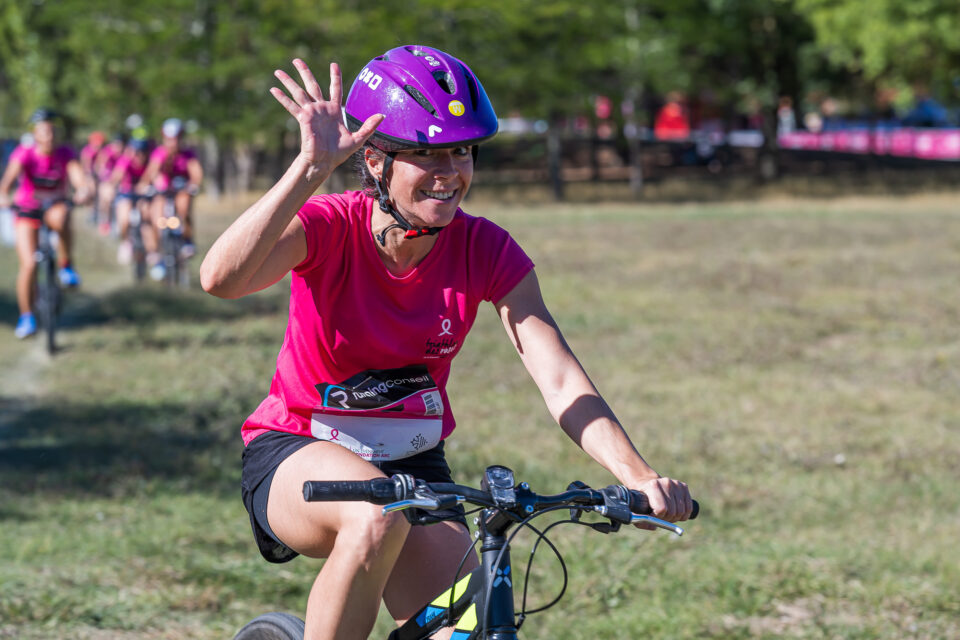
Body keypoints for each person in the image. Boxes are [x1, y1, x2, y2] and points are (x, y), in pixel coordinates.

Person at [200, 47, 694, 640]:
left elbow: (560, 377)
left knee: (469, 622)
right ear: (375, 160)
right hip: (298, 447)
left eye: (461, 151)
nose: (450, 170)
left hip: (414, 463)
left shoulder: (485, 248)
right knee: (375, 515)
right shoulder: (331, 226)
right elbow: (221, 280)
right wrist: (309, 170)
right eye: (426, 154)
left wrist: (639, 476)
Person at [0, 108, 89, 339]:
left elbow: (78, 177)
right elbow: (7, 182)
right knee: (28, 264)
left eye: (52, 132)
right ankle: (27, 316)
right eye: (44, 132)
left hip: (53, 207)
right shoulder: (24, 153)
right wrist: (4, 196)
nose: (49, 136)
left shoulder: (65, 154)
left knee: (63, 215)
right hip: (26, 210)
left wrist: (82, 190)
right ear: (35, 134)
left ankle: (66, 265)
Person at [138, 118, 203, 269]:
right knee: (156, 217)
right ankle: (156, 251)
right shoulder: (160, 153)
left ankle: (187, 240)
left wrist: (194, 184)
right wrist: (146, 185)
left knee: (184, 206)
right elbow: (151, 172)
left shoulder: (188, 154)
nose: (173, 142)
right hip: (163, 192)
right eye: (170, 139)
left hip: (181, 191)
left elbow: (196, 172)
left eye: (177, 138)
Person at [110, 138, 156, 266]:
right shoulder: (125, 161)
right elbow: (116, 176)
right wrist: (113, 186)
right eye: (136, 152)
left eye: (142, 152)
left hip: (144, 196)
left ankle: (152, 251)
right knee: (124, 218)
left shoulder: (150, 163)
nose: (139, 156)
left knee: (147, 216)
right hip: (126, 194)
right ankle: (126, 242)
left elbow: (153, 176)